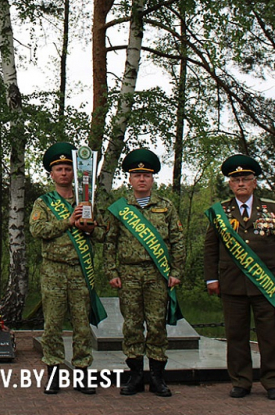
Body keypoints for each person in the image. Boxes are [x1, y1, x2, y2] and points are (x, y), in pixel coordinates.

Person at [204, 154, 275, 401]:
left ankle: (273, 381)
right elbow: (211, 247)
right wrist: (211, 278)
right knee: (236, 336)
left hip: (266, 285)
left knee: (271, 336)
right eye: (236, 180)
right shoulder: (220, 211)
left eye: (246, 178)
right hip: (232, 284)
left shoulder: (273, 209)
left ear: (254, 182)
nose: (241, 183)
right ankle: (241, 381)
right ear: (230, 184)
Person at [105, 148, 184, 397]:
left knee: (157, 324)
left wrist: (176, 270)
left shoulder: (166, 207)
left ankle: (158, 377)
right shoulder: (119, 208)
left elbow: (178, 240)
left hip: (157, 274)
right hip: (128, 273)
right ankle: (135, 376)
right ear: (129, 179)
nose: (141, 179)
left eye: (146, 175)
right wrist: (111, 271)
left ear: (152, 179)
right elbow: (110, 242)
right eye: (137, 174)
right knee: (132, 325)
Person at [29, 142, 106, 395]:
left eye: (68, 168)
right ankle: (53, 373)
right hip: (53, 271)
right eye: (59, 169)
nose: (64, 173)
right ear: (51, 174)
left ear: (75, 173)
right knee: (52, 324)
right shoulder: (44, 202)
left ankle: (82, 372)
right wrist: (68, 222)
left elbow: (104, 234)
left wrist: (91, 229)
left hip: (80, 270)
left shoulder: (88, 200)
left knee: (82, 325)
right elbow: (37, 230)